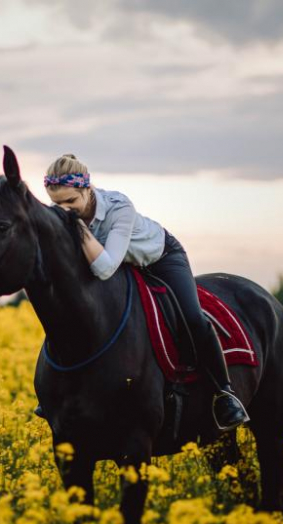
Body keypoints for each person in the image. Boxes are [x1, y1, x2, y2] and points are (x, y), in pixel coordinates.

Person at [34, 153, 250, 431]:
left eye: (71, 201)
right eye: (58, 204)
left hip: (161, 259)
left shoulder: (119, 207)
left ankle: (224, 393)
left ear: (87, 189)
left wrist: (78, 229)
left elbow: (105, 267)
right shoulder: (64, 213)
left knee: (192, 317)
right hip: (117, 264)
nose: (65, 210)